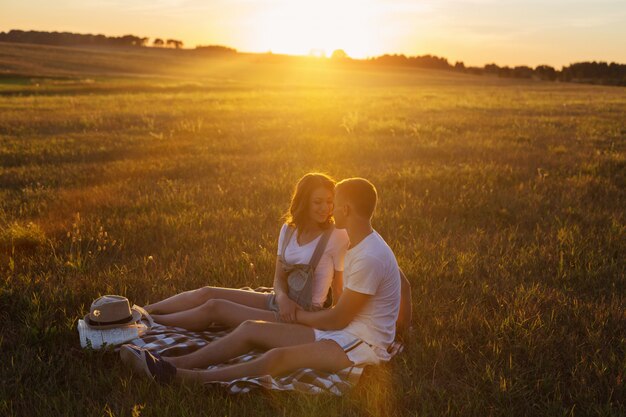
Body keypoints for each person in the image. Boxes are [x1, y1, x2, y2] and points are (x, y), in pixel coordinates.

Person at [121, 177, 412, 384]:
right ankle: (171, 364)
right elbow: (403, 283)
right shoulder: (362, 242)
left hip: (360, 343)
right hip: (343, 329)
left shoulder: (370, 255)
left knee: (278, 358)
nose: (330, 210)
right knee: (249, 329)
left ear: (347, 209)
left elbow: (336, 320)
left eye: (335, 204)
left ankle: (185, 378)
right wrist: (402, 328)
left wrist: (295, 316)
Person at [143, 173, 350, 330]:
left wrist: (334, 328)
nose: (326, 208)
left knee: (215, 308)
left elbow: (339, 289)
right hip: (278, 300)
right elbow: (278, 279)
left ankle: (149, 323)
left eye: (330, 201)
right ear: (304, 202)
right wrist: (283, 299)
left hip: (301, 316)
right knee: (207, 293)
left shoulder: (337, 236)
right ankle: (143, 309)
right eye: (318, 202)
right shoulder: (288, 230)